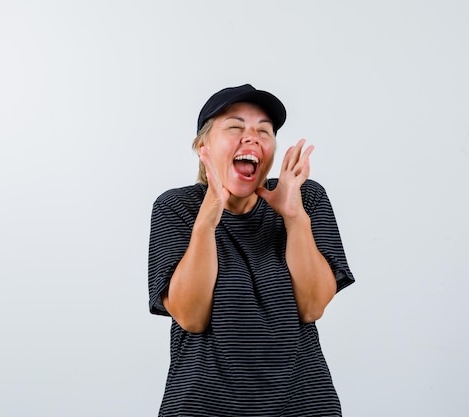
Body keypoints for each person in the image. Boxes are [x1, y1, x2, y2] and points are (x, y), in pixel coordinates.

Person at [148, 84, 355, 416]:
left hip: (303, 405)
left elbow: (313, 306)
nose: (252, 137)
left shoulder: (306, 197)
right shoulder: (176, 208)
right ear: (204, 146)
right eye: (235, 127)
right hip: (203, 405)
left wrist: (294, 217)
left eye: (264, 131)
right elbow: (191, 317)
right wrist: (206, 223)